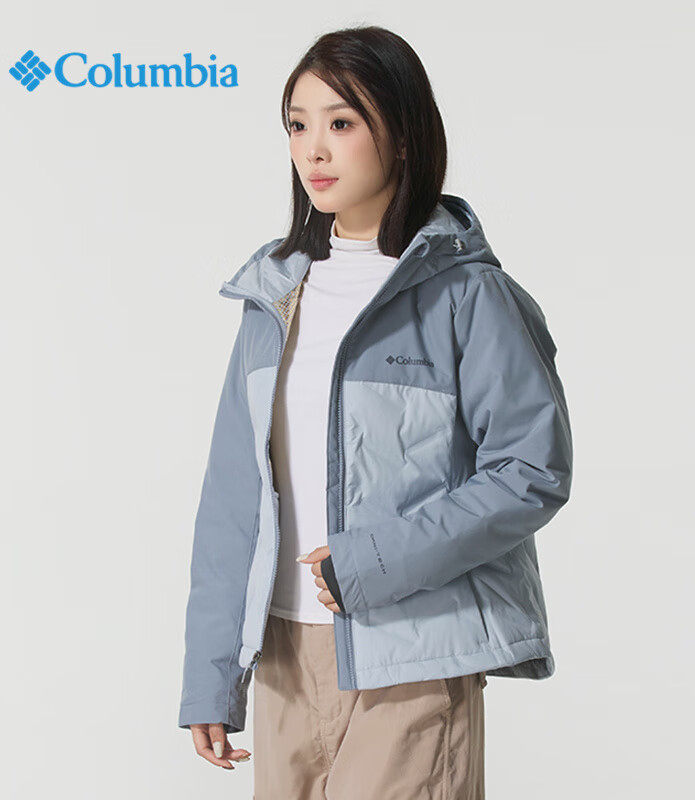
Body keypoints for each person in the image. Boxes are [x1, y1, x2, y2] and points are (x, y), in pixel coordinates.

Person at [178, 25, 573, 799]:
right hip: (285, 658)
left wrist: (372, 563)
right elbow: (233, 497)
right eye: (298, 125)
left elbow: (531, 470)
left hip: (413, 659)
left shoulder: (468, 295)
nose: (314, 149)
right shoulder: (273, 298)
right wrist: (211, 673)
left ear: (402, 136)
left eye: (342, 122)